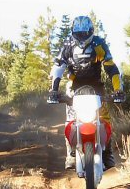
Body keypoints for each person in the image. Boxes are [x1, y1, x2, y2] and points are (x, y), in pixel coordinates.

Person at [47, 15, 125, 170]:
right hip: (74, 86)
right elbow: (58, 67)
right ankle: (70, 153)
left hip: (96, 85)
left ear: (91, 31)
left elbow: (110, 66)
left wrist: (118, 90)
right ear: (73, 32)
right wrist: (53, 90)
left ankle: (107, 151)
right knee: (70, 118)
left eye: (84, 33)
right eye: (78, 33)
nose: (82, 37)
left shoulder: (98, 43)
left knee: (104, 117)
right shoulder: (68, 44)